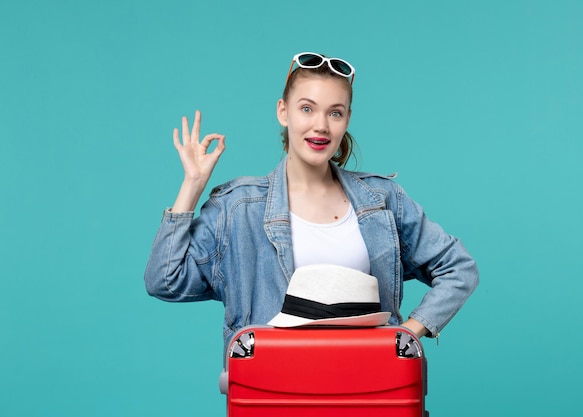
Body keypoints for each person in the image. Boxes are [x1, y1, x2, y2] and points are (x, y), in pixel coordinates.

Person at [144, 52, 479, 351]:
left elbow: (458, 268)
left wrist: (406, 335)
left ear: (347, 119)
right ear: (283, 111)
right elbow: (165, 281)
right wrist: (192, 185)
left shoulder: (383, 201)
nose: (320, 125)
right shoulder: (238, 208)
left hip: (369, 390)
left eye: (335, 113)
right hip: (276, 391)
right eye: (307, 108)